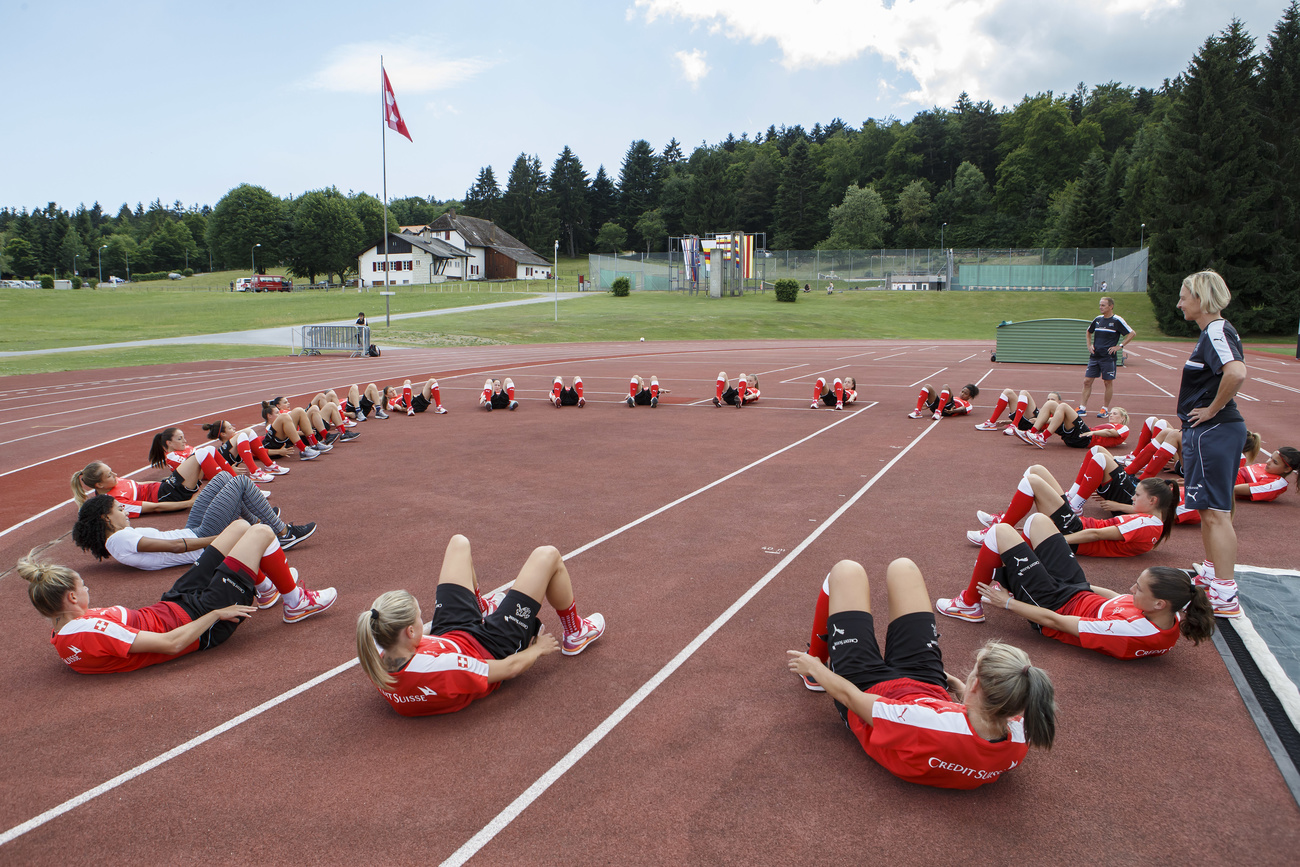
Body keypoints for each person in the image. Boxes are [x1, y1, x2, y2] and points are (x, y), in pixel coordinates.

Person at [786, 557, 1055, 789]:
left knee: (846, 571)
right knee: (904, 568)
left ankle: (813, 669)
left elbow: (850, 697)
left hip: (867, 689)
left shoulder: (925, 724)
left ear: (977, 687)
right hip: (927, 688)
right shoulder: (1018, 736)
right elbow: (983, 716)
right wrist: (954, 683)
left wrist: (817, 668)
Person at [20, 525, 335, 676]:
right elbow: (170, 644)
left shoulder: (64, 634)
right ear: (72, 597)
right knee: (261, 532)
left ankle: (266, 589)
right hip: (199, 617)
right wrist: (216, 614)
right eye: (84, 585)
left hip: (175, 603)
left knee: (239, 528)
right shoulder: (93, 631)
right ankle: (295, 602)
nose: (88, 589)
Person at [357, 535, 605, 716]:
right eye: (419, 617)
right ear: (410, 631)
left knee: (458, 543)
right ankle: (575, 632)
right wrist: (538, 649)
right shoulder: (444, 668)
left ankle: (480, 608)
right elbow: (509, 668)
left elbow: (421, 642)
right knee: (548, 555)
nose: (423, 619)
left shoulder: (375, 648)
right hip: (492, 646)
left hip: (449, 637)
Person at [937, 513, 1216, 658]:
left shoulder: (1132, 631)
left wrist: (1008, 603)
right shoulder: (1170, 612)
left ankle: (969, 605)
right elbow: (1113, 598)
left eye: (1139, 588)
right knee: (1038, 521)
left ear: (1159, 603)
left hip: (1054, 605)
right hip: (1076, 590)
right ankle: (1014, 575)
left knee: (1001, 532)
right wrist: (1073, 580)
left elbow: (1056, 621)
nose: (1132, 590)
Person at [1175, 270, 1249, 618]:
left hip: (1214, 431)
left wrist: (1211, 410)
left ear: (1201, 299)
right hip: (1212, 433)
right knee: (1209, 510)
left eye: (1183, 297)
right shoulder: (1211, 332)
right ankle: (1212, 572)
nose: (1179, 304)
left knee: (1217, 513)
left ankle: (1225, 592)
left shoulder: (1217, 330)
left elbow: (1236, 372)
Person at [73, 471, 316, 571]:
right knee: (240, 483)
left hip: (193, 530)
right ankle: (282, 533)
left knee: (222, 478)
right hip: (201, 539)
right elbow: (175, 547)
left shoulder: (117, 540)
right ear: (106, 517)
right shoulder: (119, 539)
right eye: (119, 509)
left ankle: (262, 525)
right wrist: (225, 537)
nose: (124, 511)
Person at [965, 463, 1176, 559]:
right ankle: (1006, 519)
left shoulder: (1146, 523)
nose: (1132, 498)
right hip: (1076, 525)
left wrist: (1056, 541)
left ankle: (1000, 529)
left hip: (1074, 531)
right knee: (1037, 470)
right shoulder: (1152, 522)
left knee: (1032, 482)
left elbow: (1096, 534)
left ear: (1153, 500)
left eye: (1137, 495)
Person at [71, 460, 198, 517]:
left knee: (199, 458)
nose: (115, 475)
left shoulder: (113, 482)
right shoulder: (114, 501)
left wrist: (165, 482)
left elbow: (140, 484)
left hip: (165, 487)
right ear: (99, 485)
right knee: (199, 457)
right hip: (168, 496)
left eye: (112, 471)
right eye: (109, 475)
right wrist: (190, 503)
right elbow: (156, 507)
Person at [1079, 295, 1135, 418]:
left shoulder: (1117, 320)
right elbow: (1088, 331)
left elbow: (1132, 333)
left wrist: (1119, 346)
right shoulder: (1098, 319)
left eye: (1103, 305)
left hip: (1108, 358)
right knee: (1087, 381)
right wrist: (1089, 345)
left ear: (1111, 306)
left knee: (1107, 382)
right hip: (1095, 356)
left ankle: (1104, 409)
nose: (1101, 307)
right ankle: (1082, 408)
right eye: (1100, 305)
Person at [1012, 400, 1130, 449]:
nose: (1111, 415)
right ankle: (1031, 433)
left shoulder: (1123, 428)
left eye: (1115, 413)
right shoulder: (1109, 425)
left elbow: (1110, 433)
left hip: (1085, 438)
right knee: (1050, 404)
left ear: (1123, 418)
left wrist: (1092, 432)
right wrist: (1042, 420)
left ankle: (1042, 437)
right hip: (1077, 436)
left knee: (1063, 406)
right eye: (1111, 413)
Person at [148, 426, 244, 482]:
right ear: (169, 443)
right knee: (242, 435)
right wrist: (224, 469)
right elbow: (197, 472)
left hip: (215, 464)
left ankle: (235, 478)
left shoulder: (185, 448)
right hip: (204, 473)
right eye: (180, 439)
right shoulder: (172, 457)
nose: (185, 441)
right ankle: (231, 481)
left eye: (183, 437)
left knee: (242, 435)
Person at [203, 419, 291, 477]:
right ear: (223, 434)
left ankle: (268, 465)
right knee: (243, 434)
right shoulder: (223, 451)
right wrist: (226, 470)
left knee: (248, 431)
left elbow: (256, 452)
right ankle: (254, 472)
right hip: (213, 472)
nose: (234, 428)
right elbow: (206, 471)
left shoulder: (239, 446)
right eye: (230, 428)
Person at [975, 389, 1061, 432]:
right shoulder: (1046, 408)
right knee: (1007, 392)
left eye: (1052, 400)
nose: (1050, 401)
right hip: (1025, 421)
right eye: (1048, 399)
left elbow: (1058, 420)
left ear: (1059, 402)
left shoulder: (1060, 411)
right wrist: (1007, 422)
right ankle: (992, 422)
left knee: (1024, 392)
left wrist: (1039, 420)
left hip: (1033, 425)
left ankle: (1014, 425)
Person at [908, 383, 978, 420]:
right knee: (927, 386)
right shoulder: (955, 398)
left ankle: (938, 412)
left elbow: (963, 409)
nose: (962, 394)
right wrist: (928, 403)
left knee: (946, 386)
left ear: (970, 396)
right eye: (962, 391)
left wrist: (954, 411)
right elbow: (942, 400)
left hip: (948, 410)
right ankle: (918, 411)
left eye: (965, 393)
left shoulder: (969, 405)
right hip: (938, 407)